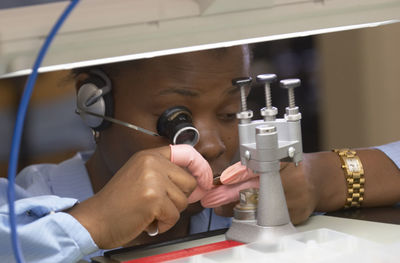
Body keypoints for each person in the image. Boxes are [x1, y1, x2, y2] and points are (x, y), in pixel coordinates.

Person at [0, 45, 251, 263]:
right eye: (177, 119)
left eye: (229, 114)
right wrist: (92, 223)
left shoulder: (246, 209)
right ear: (94, 104)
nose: (213, 146)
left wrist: (288, 218)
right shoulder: (22, 210)